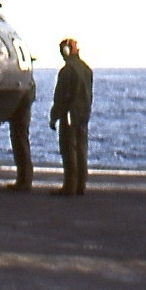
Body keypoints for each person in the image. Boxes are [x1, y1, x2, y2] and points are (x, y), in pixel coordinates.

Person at [49, 38, 93, 196]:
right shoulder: (86, 69)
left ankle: (70, 186)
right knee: (81, 149)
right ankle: (80, 185)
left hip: (69, 115)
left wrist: (54, 116)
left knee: (69, 150)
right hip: (83, 114)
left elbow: (61, 97)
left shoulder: (67, 71)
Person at [7, 83, 35, 191]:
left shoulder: (25, 83)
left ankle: (25, 180)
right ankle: (23, 179)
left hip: (20, 115)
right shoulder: (29, 82)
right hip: (21, 114)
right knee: (20, 145)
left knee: (21, 146)